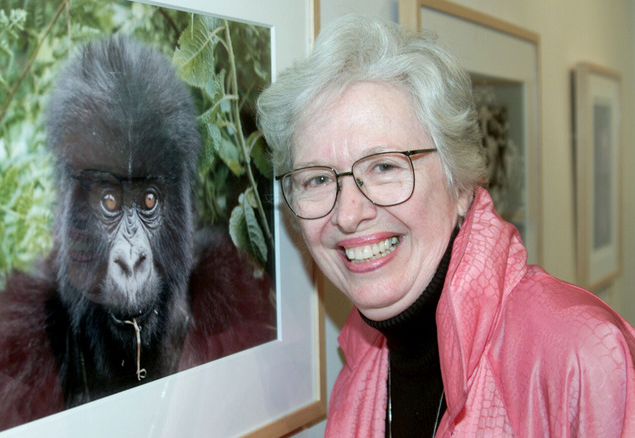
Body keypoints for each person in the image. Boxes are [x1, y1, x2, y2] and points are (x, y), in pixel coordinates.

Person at [257, 14, 635, 437]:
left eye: (384, 166)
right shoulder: (360, 373)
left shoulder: (583, 354)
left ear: (459, 185)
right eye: (319, 179)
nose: (347, 214)